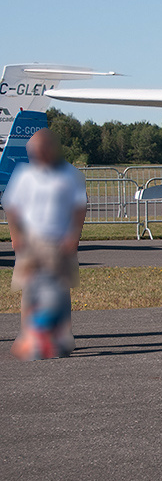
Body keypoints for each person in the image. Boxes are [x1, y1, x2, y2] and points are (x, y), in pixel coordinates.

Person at [3, 129, 87, 359]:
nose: (35, 157)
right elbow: (12, 206)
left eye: (39, 151)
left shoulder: (70, 174)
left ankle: (61, 337)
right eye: (32, 153)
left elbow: (79, 208)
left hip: (58, 241)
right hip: (30, 241)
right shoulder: (24, 175)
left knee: (58, 291)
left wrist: (73, 237)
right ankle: (31, 336)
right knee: (30, 290)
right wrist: (15, 235)